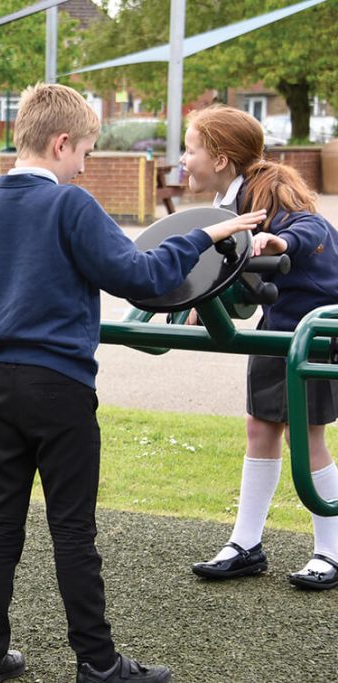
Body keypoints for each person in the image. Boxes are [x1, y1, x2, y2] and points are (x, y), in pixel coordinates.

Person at [0, 83, 264, 683]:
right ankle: (98, 663)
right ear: (62, 143)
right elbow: (141, 278)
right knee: (72, 528)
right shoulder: (71, 205)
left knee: (0, 522)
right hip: (60, 387)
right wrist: (204, 236)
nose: (85, 167)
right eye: (86, 154)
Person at [184, 105, 338, 591]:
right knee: (260, 427)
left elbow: (312, 229)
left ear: (221, 159)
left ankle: (332, 549)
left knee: (305, 436)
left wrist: (279, 242)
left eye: (190, 150)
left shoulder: (269, 189)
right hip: (278, 326)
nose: (183, 160)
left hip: (314, 330)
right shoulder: (226, 205)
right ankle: (246, 544)